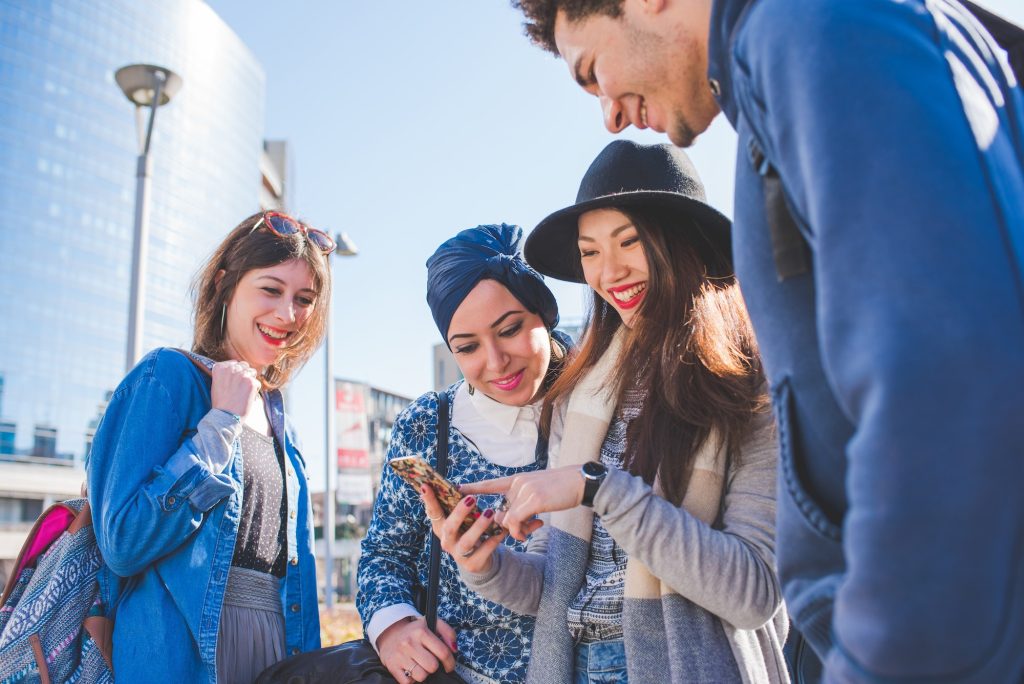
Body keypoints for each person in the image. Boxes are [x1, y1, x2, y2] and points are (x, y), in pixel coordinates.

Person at [508, 0, 1024, 680]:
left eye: (592, 70)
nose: (607, 112)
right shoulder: (797, 46)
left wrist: (880, 655)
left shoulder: (811, 28)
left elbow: (938, 375)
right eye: (590, 252)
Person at [424, 142, 787, 683]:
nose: (608, 271)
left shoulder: (750, 384)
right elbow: (558, 580)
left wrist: (599, 488)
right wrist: (485, 565)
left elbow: (753, 594)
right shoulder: (582, 389)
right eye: (589, 252)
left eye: (629, 241)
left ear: (678, 240)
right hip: (575, 665)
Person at [87, 211, 329, 683]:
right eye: (271, 289)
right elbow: (122, 542)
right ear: (225, 284)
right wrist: (218, 425)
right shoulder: (168, 377)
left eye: (303, 299)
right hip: (182, 652)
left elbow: (295, 568)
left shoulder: (282, 420)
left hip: (275, 647)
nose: (288, 315)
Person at [356, 223, 572, 684]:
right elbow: (384, 555)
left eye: (510, 330)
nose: (495, 363)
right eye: (467, 347)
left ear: (545, 312)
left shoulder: (600, 401)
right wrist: (394, 628)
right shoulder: (426, 424)